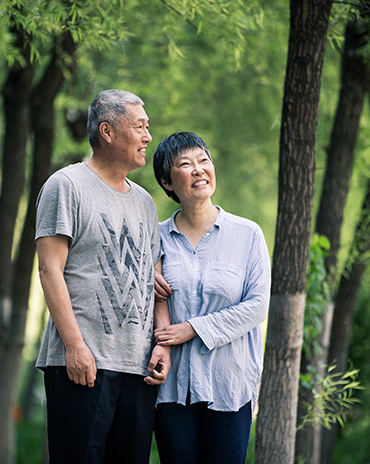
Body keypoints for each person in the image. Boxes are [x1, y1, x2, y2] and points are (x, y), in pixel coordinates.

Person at [34, 89, 171, 464]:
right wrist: (75, 347)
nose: (147, 137)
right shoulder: (66, 186)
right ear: (108, 132)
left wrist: (162, 342)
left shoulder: (144, 201)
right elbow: (49, 270)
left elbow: (155, 279)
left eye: (148, 127)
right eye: (139, 127)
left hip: (137, 368)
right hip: (82, 366)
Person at [151, 131, 271, 464]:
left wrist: (193, 327)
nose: (199, 169)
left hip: (229, 384)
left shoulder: (247, 234)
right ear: (167, 182)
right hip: (173, 385)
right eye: (185, 164)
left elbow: (257, 305)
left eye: (204, 160)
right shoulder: (156, 237)